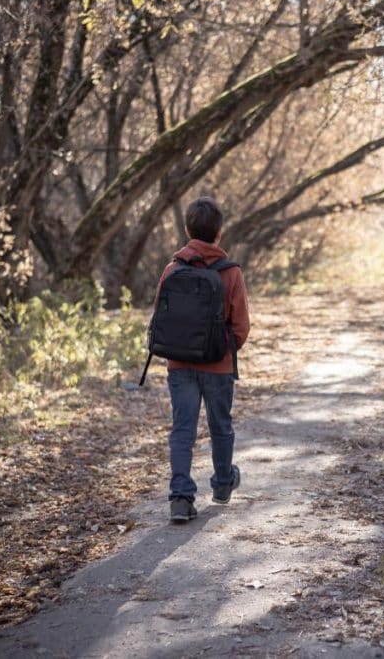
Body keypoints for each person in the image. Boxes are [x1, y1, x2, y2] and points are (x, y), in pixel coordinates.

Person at [156, 195, 250, 522]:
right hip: (218, 365)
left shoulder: (172, 270)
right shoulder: (231, 273)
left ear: (187, 229)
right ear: (219, 232)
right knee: (220, 426)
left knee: (182, 430)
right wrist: (221, 350)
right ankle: (223, 484)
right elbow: (241, 327)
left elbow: (160, 318)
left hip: (179, 365)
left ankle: (181, 498)